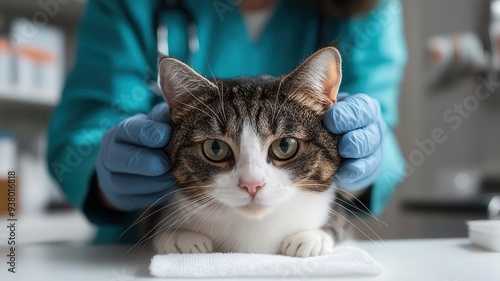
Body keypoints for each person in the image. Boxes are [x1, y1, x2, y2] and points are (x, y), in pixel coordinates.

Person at [47, 0, 407, 243]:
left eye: (284, 145)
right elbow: (78, 137)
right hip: (145, 247)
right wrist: (106, 179)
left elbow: (381, 132)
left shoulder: (368, 6)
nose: (252, 181)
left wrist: (362, 163)